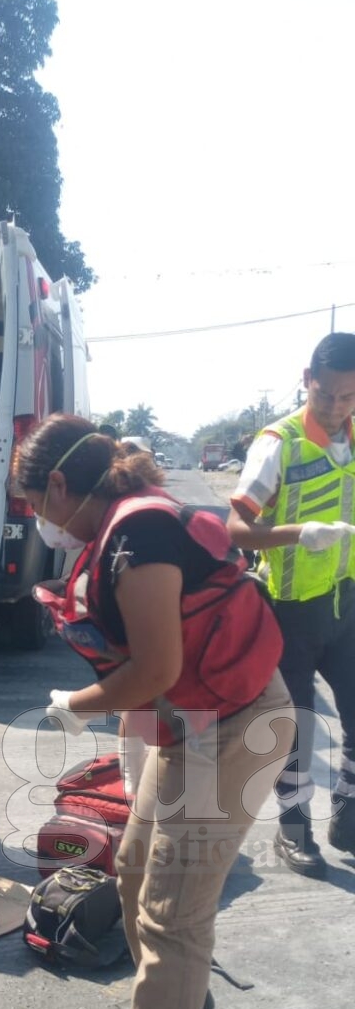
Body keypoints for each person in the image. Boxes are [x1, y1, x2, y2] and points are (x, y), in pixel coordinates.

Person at [15, 417, 292, 1009]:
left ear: (61, 487)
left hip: (235, 726)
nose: (41, 525)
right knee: (136, 872)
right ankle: (175, 998)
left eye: (36, 506)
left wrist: (73, 706)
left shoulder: (135, 538)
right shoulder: (127, 527)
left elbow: (156, 670)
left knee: (174, 907)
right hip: (195, 723)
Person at [227, 333, 355, 878]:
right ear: (307, 380)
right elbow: (236, 528)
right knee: (295, 730)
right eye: (326, 394)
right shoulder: (278, 443)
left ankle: (346, 814)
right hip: (289, 609)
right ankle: (294, 830)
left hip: (346, 602)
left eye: (348, 396)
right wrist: (299, 534)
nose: (335, 407)